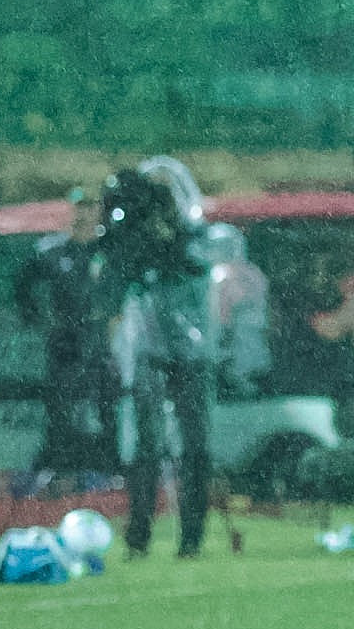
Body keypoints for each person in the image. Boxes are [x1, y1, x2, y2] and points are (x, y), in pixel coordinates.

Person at [102, 163, 214, 559]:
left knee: (193, 445)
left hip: (190, 353)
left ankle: (190, 536)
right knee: (147, 445)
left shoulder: (194, 236)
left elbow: (191, 263)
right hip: (151, 350)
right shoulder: (135, 238)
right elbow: (117, 271)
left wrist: (168, 236)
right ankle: (139, 535)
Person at [11, 186, 118, 480]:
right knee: (60, 402)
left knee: (106, 401)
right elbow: (23, 283)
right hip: (65, 338)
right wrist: (34, 316)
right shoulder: (54, 251)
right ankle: (61, 463)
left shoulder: (108, 250)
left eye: (91, 207)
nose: (85, 213)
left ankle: (108, 463)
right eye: (80, 206)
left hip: (99, 337)